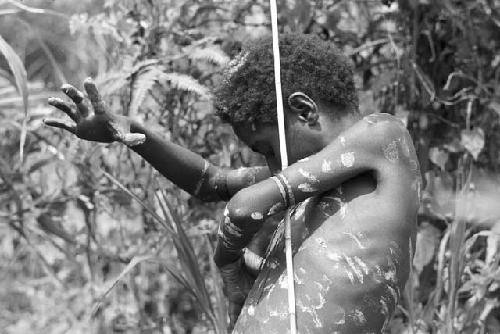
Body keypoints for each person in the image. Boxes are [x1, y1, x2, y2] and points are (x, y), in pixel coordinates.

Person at [45, 33, 421, 333]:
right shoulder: (311, 176)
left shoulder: (383, 137)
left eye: (267, 148)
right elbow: (211, 181)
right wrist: (131, 130)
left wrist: (227, 262)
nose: (271, 165)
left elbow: (243, 208)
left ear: (304, 110)